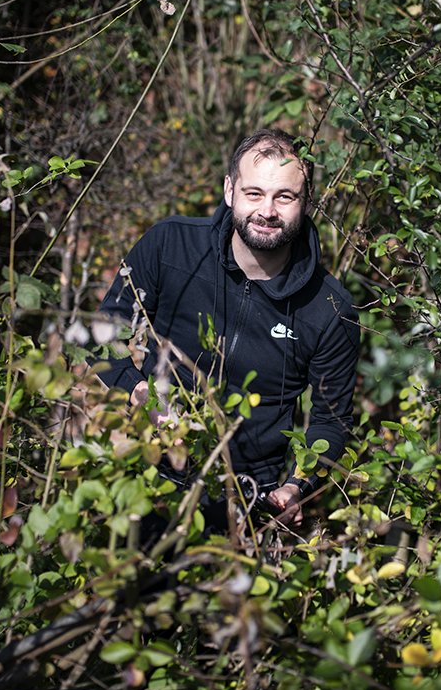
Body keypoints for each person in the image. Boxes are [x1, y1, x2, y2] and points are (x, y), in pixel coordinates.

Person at [95, 129, 360, 528]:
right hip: (145, 471)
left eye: (284, 197)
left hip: (246, 501)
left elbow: (330, 420)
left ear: (306, 203)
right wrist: (141, 394)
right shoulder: (171, 245)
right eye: (254, 193)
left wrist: (296, 485)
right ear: (229, 190)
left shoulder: (329, 309)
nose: (267, 210)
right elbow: (104, 332)